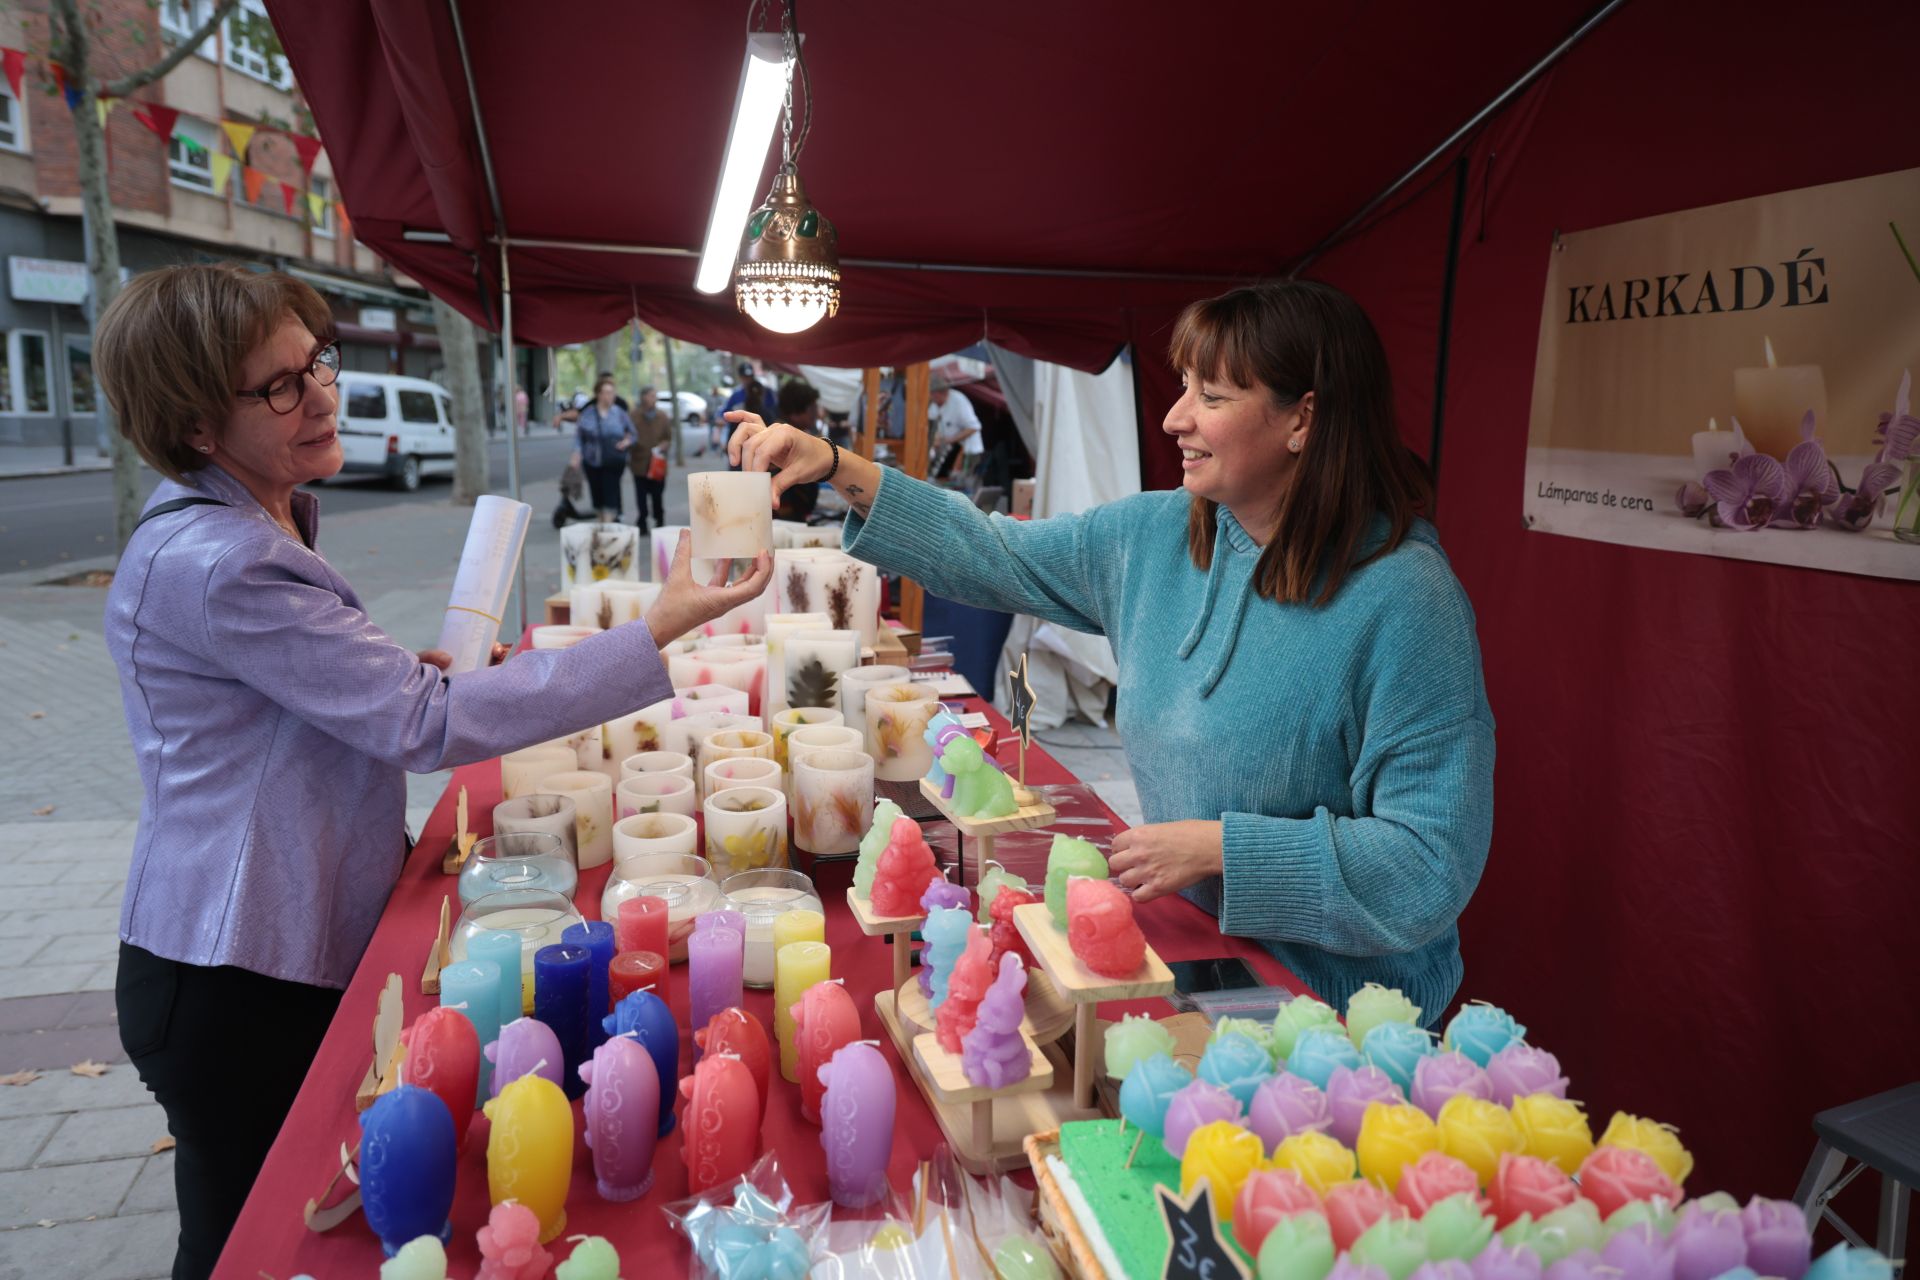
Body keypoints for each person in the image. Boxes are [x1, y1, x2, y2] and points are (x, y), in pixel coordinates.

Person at [93, 263, 771, 1280]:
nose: (322, 391)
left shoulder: (258, 514)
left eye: (315, 359)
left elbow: (313, 697)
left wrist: (402, 675)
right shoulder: (223, 556)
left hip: (262, 944)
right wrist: (657, 626)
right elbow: (423, 724)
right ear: (195, 424)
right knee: (244, 1237)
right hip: (234, 967)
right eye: (279, 384)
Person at [727, 279, 1494, 1020]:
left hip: (1343, 1014)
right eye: (1183, 386)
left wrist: (1222, 849)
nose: (1174, 419)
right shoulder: (1158, 536)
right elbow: (996, 553)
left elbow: (1428, 866)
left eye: (1213, 397)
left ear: (1304, 420)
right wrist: (836, 466)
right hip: (1195, 960)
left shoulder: (1406, 602)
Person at [572, 374, 634, 520]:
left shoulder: (619, 413)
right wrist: (576, 453)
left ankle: (609, 525)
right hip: (592, 461)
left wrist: (626, 442)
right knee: (597, 496)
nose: (610, 396)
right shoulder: (588, 413)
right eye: (606, 392)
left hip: (613, 460)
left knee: (610, 495)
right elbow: (579, 435)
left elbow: (633, 433)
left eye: (612, 392)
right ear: (598, 394)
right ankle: (602, 523)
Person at [772, 379, 824, 522]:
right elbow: (783, 499)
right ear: (796, 413)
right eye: (812, 408)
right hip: (784, 520)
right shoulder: (783, 441)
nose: (816, 413)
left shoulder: (792, 435)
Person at [628, 383, 673, 532]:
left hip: (657, 464)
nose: (655, 399)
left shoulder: (662, 416)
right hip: (639, 463)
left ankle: (659, 520)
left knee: (657, 496)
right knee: (641, 497)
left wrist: (662, 446)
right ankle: (642, 522)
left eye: (655, 396)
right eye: (652, 395)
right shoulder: (633, 416)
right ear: (643, 397)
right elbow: (627, 435)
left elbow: (668, 438)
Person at [929, 376, 983, 486]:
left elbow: (974, 427)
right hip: (950, 450)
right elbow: (933, 424)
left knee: (962, 483)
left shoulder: (958, 401)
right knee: (942, 479)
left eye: (932, 394)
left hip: (968, 450)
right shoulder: (934, 405)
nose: (931, 397)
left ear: (940, 393)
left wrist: (948, 440)